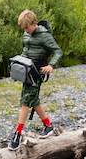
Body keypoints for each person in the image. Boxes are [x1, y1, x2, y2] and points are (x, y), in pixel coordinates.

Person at [10, 10, 63, 150]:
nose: (26, 31)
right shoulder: (27, 34)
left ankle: (17, 133)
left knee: (25, 101)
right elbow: (25, 51)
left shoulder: (44, 36)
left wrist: (51, 65)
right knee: (33, 100)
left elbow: (58, 51)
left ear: (34, 24)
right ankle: (48, 125)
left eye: (27, 28)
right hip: (27, 71)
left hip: (38, 72)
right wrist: (18, 65)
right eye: (23, 29)